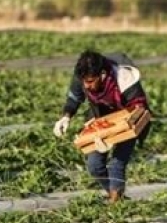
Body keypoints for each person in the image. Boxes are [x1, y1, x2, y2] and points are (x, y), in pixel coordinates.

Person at [53, 50, 150, 203]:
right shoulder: (83, 75)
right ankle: (116, 196)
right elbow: (74, 97)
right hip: (100, 119)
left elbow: (139, 109)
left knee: (116, 164)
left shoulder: (123, 77)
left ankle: (115, 201)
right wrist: (66, 117)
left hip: (130, 122)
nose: (87, 85)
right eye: (84, 81)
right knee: (94, 166)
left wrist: (114, 134)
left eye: (91, 81)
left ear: (103, 74)